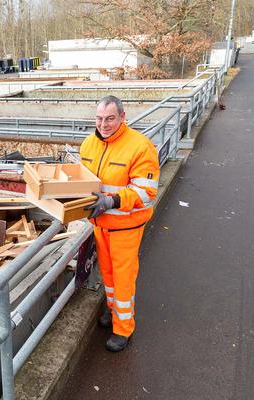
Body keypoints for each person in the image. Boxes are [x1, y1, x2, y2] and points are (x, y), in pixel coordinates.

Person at [81, 95, 159, 352]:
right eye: (100, 118)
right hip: (100, 225)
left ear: (122, 117)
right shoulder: (88, 145)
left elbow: (145, 192)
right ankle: (114, 311)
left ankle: (123, 329)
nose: (104, 124)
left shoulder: (140, 147)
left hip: (125, 227)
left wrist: (112, 201)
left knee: (123, 279)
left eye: (110, 119)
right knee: (109, 275)